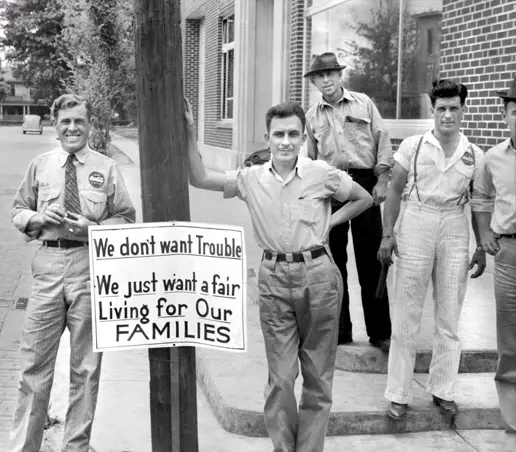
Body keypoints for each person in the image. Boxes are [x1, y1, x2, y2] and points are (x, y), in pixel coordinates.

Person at [184, 99, 373, 452]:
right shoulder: (250, 179)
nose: (286, 141)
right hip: (272, 277)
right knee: (282, 378)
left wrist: (328, 223)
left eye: (293, 134)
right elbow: (198, 178)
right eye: (278, 134)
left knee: (318, 377)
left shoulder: (322, 173)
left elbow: (363, 198)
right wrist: (190, 133)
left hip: (317, 276)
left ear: (303, 137)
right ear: (267, 137)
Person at [8, 93, 136, 452]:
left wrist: (91, 229)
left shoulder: (105, 167)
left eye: (79, 121)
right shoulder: (40, 165)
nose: (72, 127)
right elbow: (18, 210)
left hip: (89, 266)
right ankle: (25, 448)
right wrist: (36, 217)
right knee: (34, 366)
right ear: (54, 125)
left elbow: (126, 218)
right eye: (65, 121)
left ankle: (75, 448)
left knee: (86, 368)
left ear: (89, 125)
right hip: (48, 265)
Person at [378, 79, 486, 420]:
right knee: (407, 313)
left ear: (463, 110)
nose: (448, 115)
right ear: (432, 110)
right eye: (441, 108)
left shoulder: (474, 153)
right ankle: (398, 392)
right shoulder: (412, 146)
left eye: (454, 108)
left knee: (450, 314)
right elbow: (394, 191)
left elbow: (480, 202)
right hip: (417, 222)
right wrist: (387, 234)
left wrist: (481, 245)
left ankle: (444, 389)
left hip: (454, 225)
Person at [303, 52, 393, 351]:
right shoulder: (312, 116)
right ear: (314, 82)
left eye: (331, 73)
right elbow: (311, 159)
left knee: (371, 260)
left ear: (340, 75)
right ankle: (339, 330)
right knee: (333, 263)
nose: (326, 79)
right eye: (319, 76)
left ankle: (380, 331)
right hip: (331, 188)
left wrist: (382, 179)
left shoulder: (363, 103)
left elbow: (382, 138)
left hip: (365, 184)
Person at [470, 76, 516, 450]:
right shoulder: (493, 158)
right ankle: (514, 419)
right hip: (510, 255)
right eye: (515, 112)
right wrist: (484, 236)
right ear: (505, 115)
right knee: (510, 338)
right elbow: (481, 196)